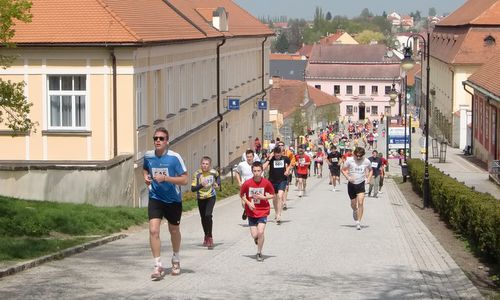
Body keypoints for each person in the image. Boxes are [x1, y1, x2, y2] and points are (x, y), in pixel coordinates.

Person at [143, 127, 188, 280]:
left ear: (167, 142)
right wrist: (147, 180)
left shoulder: (175, 158)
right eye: (155, 138)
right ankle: (158, 266)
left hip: (173, 200)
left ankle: (175, 258)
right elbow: (144, 169)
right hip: (155, 197)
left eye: (161, 138)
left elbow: (185, 179)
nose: (158, 141)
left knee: (174, 230)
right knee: (153, 230)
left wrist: (166, 178)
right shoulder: (148, 156)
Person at [240, 161, 275, 262]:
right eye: (254, 171)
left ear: (262, 171)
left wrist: (264, 197)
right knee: (255, 235)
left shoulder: (266, 183)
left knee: (260, 232)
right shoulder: (247, 184)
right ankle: (258, 239)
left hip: (263, 210)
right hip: (251, 212)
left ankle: (259, 252)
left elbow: (272, 194)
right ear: (252, 171)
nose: (256, 173)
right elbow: (242, 195)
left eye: (258, 171)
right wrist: (248, 203)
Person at [191, 156, 220, 249]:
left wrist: (217, 184)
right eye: (203, 163)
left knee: (208, 215)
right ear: (201, 164)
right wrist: (201, 185)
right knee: (203, 218)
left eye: (207, 164)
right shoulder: (197, 174)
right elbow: (193, 189)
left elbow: (218, 176)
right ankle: (206, 235)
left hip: (211, 196)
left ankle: (210, 237)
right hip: (201, 198)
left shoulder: (213, 172)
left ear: (210, 165)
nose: (205, 166)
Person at [341, 147, 372, 230]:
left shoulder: (366, 161)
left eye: (360, 156)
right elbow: (343, 170)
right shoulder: (349, 160)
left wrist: (368, 178)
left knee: (361, 202)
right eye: (356, 156)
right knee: (353, 204)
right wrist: (348, 177)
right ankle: (355, 210)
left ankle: (358, 222)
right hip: (351, 184)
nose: (358, 157)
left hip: (361, 183)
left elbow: (371, 170)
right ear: (354, 154)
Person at [263, 146, 292, 224]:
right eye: (276, 155)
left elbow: (290, 164)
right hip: (272, 181)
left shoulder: (285, 158)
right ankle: (276, 212)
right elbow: (263, 167)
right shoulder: (271, 159)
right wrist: (269, 158)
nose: (278, 157)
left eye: (279, 155)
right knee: (274, 198)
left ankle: (279, 214)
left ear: (281, 153)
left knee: (280, 196)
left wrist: (287, 170)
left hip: (282, 180)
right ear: (274, 154)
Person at [236, 149, 256, 220]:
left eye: (250, 156)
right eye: (247, 157)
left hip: (254, 187)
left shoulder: (256, 164)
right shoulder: (242, 164)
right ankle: (246, 209)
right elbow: (237, 172)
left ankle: (251, 215)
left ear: (253, 157)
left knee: (253, 202)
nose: (249, 158)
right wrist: (239, 181)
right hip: (244, 186)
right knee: (243, 203)